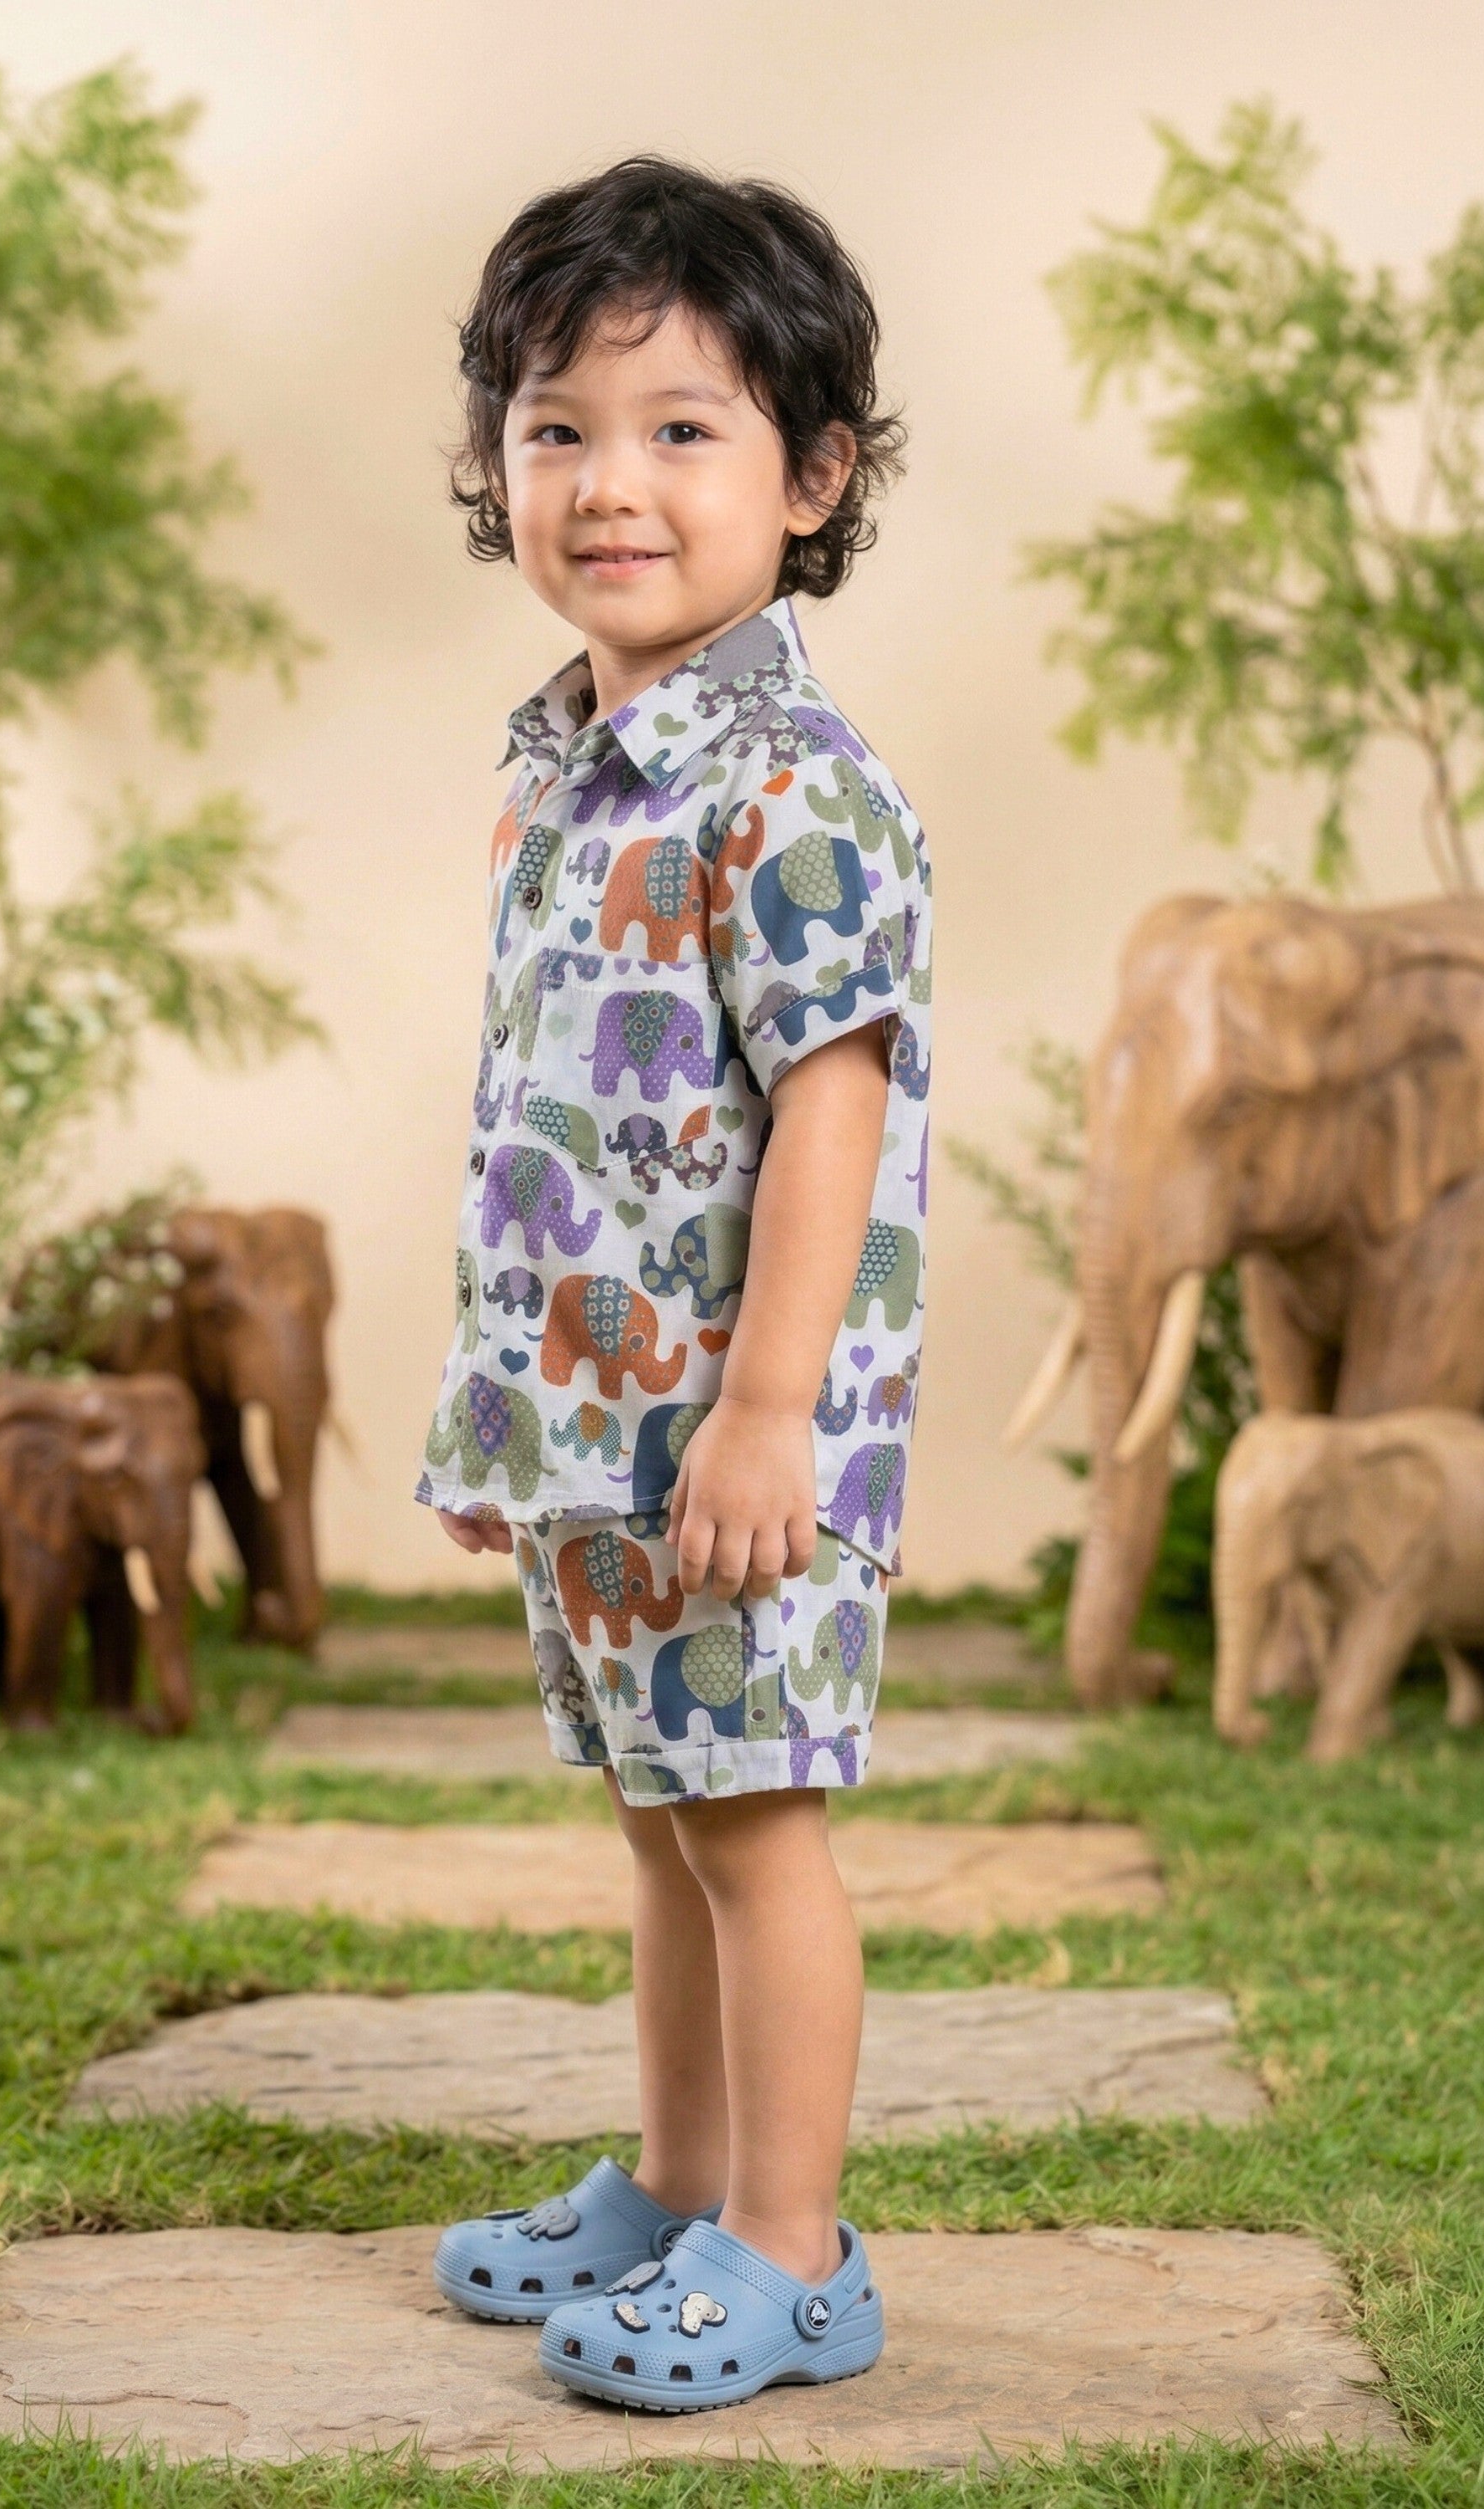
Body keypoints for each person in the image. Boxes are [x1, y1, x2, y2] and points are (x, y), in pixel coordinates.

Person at [416, 156, 928, 2414]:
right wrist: (496, 1413)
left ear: (812, 478)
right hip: (594, 1438)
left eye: (683, 428)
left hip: (740, 1445)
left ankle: (794, 2255)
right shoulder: (566, 772)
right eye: (558, 429)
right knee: (661, 1817)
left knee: (752, 1825)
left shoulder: (791, 788)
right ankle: (680, 2181)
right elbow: (539, 1129)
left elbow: (835, 1105)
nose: (609, 482)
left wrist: (767, 1409)